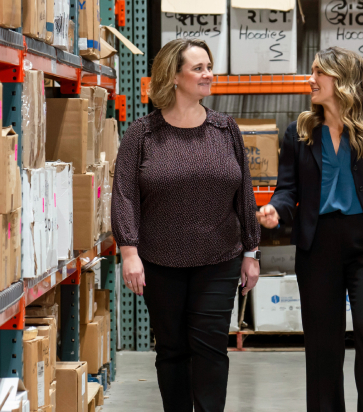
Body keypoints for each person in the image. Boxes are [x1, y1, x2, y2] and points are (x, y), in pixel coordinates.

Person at [257, 47, 363, 412]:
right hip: (317, 247)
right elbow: (288, 190)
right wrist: (275, 210)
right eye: (311, 71)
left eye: (319, 72)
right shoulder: (299, 131)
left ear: (342, 80)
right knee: (322, 344)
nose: (311, 79)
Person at [111, 38, 261, 412]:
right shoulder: (142, 135)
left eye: (209, 67)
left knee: (211, 349)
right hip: (160, 262)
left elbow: (245, 193)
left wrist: (251, 251)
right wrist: (129, 252)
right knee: (172, 350)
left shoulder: (226, 130)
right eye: (198, 68)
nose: (208, 75)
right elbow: (124, 195)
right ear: (173, 77)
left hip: (219, 258)